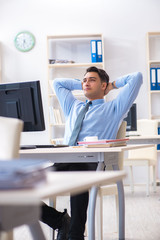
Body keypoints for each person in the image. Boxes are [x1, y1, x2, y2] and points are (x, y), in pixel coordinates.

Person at [40, 66, 143, 240]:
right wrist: (83, 84)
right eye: (84, 80)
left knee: (77, 175)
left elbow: (137, 77)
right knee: (19, 184)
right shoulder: (72, 106)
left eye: (92, 80)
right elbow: (57, 83)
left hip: (91, 163)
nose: (86, 83)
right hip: (65, 161)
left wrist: (112, 85)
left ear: (103, 85)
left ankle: (75, 235)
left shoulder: (114, 108)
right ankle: (59, 221)